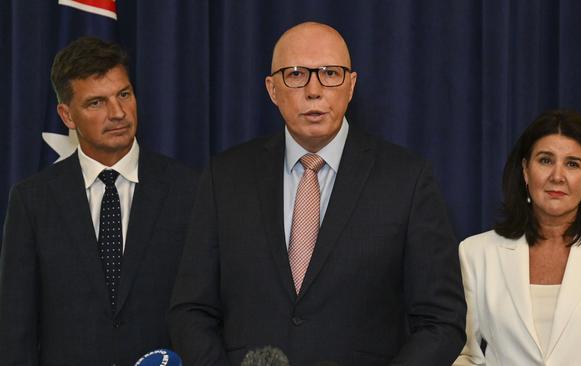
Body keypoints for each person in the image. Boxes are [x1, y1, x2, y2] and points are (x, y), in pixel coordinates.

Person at [168, 21, 466, 366]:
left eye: (330, 73)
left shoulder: (406, 179)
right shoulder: (226, 176)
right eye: (296, 74)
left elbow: (441, 320)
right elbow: (190, 309)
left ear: (351, 86)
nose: (314, 90)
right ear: (272, 89)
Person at [0, 37, 198, 365]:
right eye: (96, 103)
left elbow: (207, 310)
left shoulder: (189, 190)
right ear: (67, 115)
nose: (118, 113)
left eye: (124, 94)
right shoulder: (32, 200)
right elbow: (15, 328)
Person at [453, 110, 581, 365]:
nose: (557, 176)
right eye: (545, 160)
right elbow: (463, 354)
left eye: (572, 164)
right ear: (525, 169)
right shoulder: (475, 253)